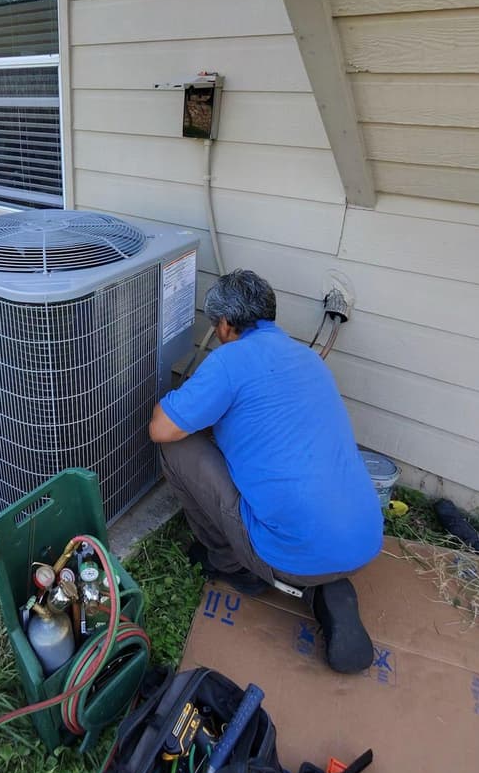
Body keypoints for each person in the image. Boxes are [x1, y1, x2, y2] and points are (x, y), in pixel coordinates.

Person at [149, 269, 383, 674]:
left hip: (288, 555)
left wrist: (171, 400)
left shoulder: (229, 362)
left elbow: (162, 428)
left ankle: (234, 565)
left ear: (224, 324)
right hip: (365, 538)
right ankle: (322, 590)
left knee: (178, 447)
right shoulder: (306, 358)